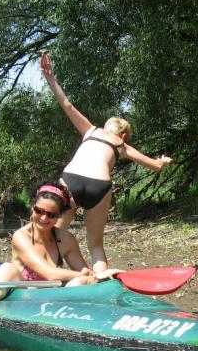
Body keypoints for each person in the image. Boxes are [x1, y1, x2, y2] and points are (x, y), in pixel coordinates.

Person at [40, 53, 173, 274]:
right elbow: (156, 166)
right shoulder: (122, 146)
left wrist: (50, 78)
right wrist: (163, 160)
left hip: (71, 180)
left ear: (105, 126)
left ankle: (43, 273)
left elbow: (67, 105)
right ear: (124, 135)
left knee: (53, 234)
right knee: (96, 246)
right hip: (99, 185)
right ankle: (100, 280)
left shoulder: (90, 130)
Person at [0, 182, 116, 335]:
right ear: (32, 207)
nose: (44, 218)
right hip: (23, 294)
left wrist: (93, 276)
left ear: (59, 215)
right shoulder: (21, 236)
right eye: (39, 211)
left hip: (53, 295)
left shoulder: (66, 239)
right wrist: (84, 274)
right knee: (7, 268)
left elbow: (85, 274)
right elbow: (50, 273)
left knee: (83, 282)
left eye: (51, 214)